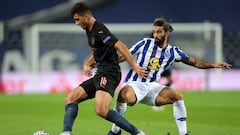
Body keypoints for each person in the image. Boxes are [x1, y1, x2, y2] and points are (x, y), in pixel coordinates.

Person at [107, 18, 231, 135]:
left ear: (167, 33)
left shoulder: (173, 52)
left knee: (177, 96)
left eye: (159, 32)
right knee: (123, 95)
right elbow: (124, 56)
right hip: (134, 84)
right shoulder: (144, 43)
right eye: (154, 32)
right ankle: (115, 131)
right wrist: (106, 62)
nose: (155, 35)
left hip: (152, 87)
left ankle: (183, 133)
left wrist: (214, 64)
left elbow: (194, 62)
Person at [59, 2, 148, 135]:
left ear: (87, 16)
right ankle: (66, 132)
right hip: (100, 73)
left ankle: (137, 133)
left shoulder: (100, 30)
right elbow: (98, 52)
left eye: (77, 19)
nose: (76, 23)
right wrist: (87, 63)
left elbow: (120, 46)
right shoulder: (89, 30)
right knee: (71, 99)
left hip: (109, 74)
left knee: (101, 109)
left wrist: (134, 66)